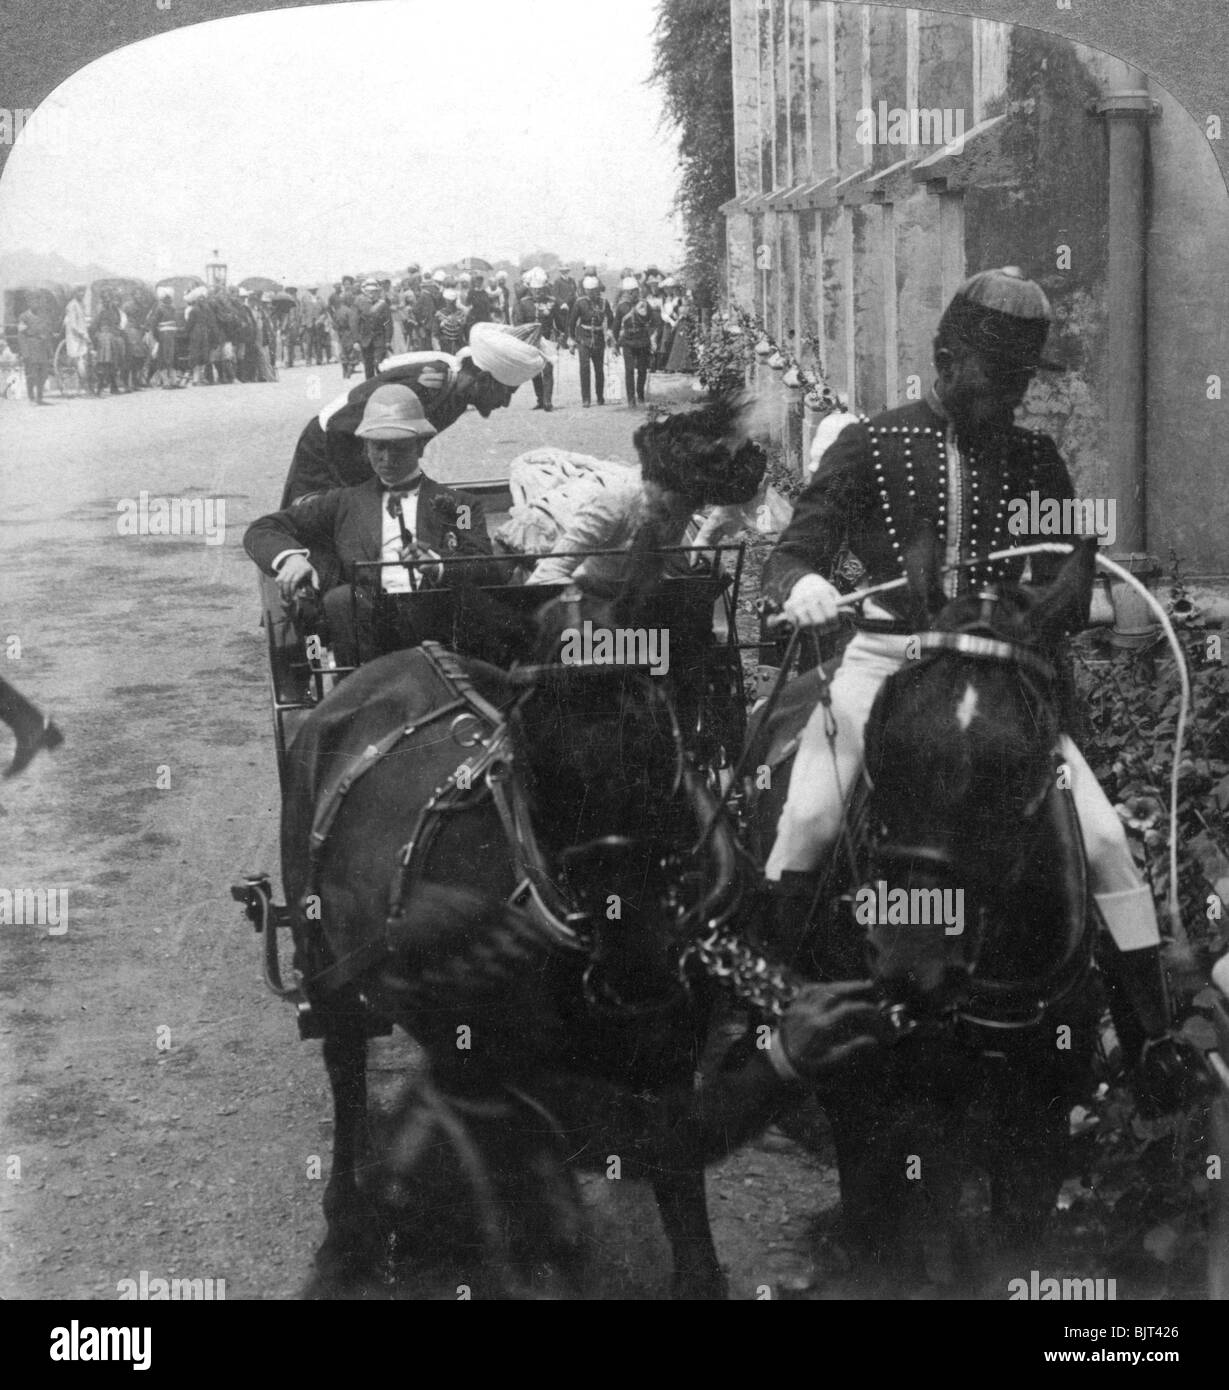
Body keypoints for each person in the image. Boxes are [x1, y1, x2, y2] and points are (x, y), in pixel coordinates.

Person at [760, 267, 1174, 1039]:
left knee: (1109, 841)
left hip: (998, 677)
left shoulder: (1035, 459)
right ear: (946, 359)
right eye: (996, 376)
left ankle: (1150, 1046)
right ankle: (764, 1020)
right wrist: (807, 581)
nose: (1010, 395)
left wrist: (1053, 609)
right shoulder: (869, 443)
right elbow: (793, 549)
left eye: (1020, 378)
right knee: (811, 817)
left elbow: (1062, 580)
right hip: (885, 663)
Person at [245, 386, 505, 668]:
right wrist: (292, 558)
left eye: (399, 448)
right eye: (378, 447)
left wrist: (438, 563)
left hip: (438, 626)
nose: (387, 459)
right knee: (343, 600)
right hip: (365, 631)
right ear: (365, 447)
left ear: (421, 445)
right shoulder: (342, 503)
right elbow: (264, 528)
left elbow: (483, 563)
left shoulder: (459, 507)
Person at [281, 320, 547, 504]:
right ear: (485, 381)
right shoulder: (431, 386)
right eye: (507, 393)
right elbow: (343, 429)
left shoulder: (454, 395)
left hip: (356, 452)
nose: (505, 404)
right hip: (328, 446)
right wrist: (360, 495)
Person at [513, 267, 565, 411]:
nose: (538, 292)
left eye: (541, 290)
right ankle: (540, 399)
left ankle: (548, 401)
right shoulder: (523, 303)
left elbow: (559, 321)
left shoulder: (551, 302)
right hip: (531, 342)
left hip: (547, 339)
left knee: (548, 369)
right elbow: (518, 324)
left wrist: (561, 335)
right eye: (535, 290)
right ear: (530, 289)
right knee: (535, 371)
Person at [568, 275, 613, 407]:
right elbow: (571, 322)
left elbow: (611, 318)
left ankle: (600, 396)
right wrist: (571, 338)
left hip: (598, 337)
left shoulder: (604, 302)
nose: (592, 293)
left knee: (599, 369)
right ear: (585, 290)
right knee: (584, 368)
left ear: (598, 289)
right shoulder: (580, 302)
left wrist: (610, 331)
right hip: (583, 338)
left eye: (594, 290)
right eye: (589, 290)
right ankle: (586, 398)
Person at [616, 294, 654, 408]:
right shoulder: (621, 306)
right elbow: (616, 325)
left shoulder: (645, 304)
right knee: (629, 370)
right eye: (630, 291)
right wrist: (615, 344)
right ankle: (631, 399)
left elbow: (652, 320)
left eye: (635, 291)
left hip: (642, 340)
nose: (632, 294)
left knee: (642, 369)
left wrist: (653, 338)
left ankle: (640, 394)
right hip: (627, 341)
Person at [16, 298, 54, 404]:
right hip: (31, 349)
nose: (36, 304)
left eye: (38, 301)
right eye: (33, 302)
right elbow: (21, 335)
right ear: (29, 303)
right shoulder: (24, 317)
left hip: (42, 349)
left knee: (44, 374)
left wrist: (49, 351)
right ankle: (31, 397)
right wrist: (25, 352)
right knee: (31, 374)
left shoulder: (43, 316)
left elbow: (47, 334)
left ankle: (40, 397)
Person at [355, 277, 391, 379]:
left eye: (374, 291)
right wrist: (356, 340)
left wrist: (388, 339)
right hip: (365, 340)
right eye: (369, 291)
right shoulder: (360, 305)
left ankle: (382, 385)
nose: (371, 294)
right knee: (368, 366)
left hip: (379, 338)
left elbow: (388, 323)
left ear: (378, 292)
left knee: (379, 364)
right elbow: (355, 323)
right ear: (365, 292)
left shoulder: (383, 305)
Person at [148, 289, 179, 388]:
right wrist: (158, 338)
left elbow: (175, 322)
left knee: (172, 357)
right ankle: (165, 381)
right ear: (162, 299)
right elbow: (154, 325)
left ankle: (173, 381)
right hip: (163, 337)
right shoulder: (159, 309)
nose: (169, 300)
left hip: (172, 336)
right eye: (166, 298)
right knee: (163, 358)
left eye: (169, 298)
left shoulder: (173, 309)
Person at [64, 286, 91, 388]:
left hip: (81, 336)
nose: (82, 294)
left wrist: (86, 334)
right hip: (74, 336)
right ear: (75, 292)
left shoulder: (81, 304)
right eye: (80, 291)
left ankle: (84, 384)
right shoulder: (72, 306)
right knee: (79, 360)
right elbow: (73, 325)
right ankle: (84, 385)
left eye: (83, 292)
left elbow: (83, 322)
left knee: (83, 360)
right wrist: (82, 334)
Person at [434, 287, 468, 355]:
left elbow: (465, 333)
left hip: (459, 346)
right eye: (448, 301)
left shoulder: (461, 314)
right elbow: (435, 334)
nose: (451, 303)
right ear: (445, 301)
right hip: (445, 347)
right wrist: (437, 349)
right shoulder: (440, 314)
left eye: (453, 301)